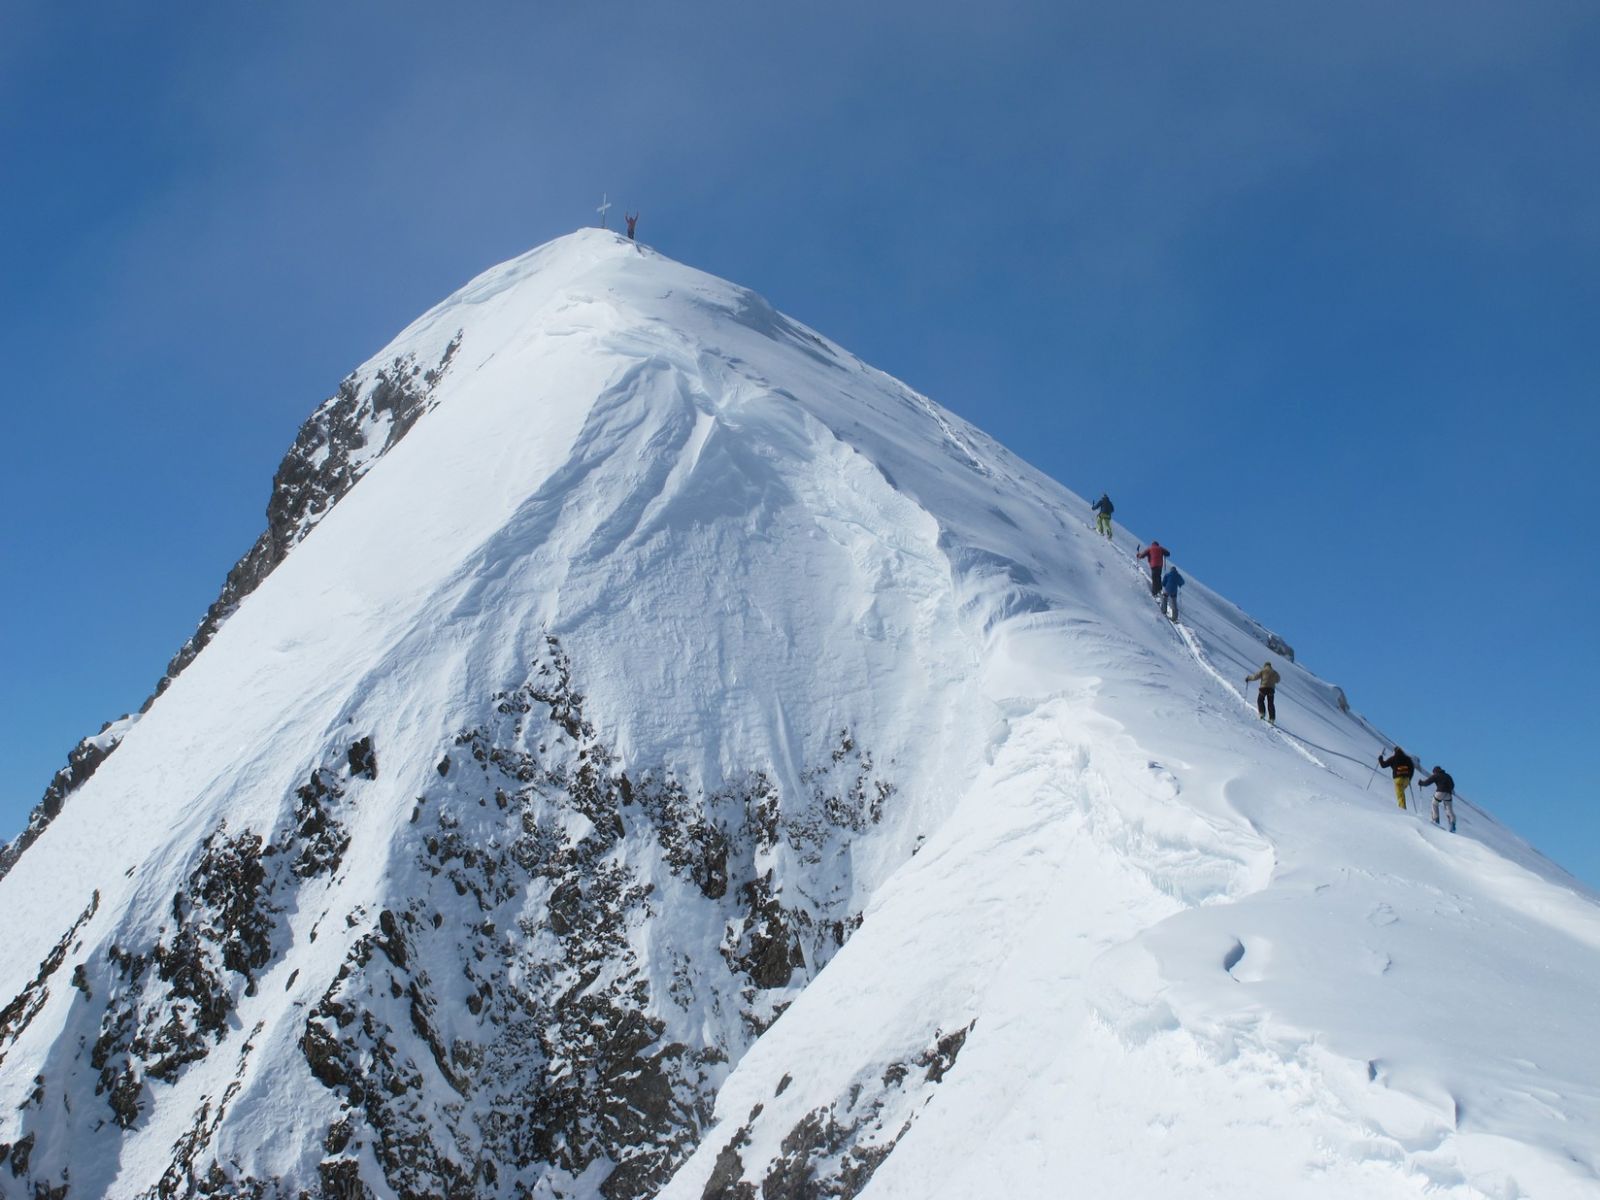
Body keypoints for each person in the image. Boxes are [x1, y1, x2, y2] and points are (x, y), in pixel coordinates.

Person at [1417, 764, 1457, 832]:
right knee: (1449, 809)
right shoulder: (1448, 776)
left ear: (1435, 771)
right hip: (1448, 794)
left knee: (1434, 804)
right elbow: (1453, 785)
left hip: (1440, 792)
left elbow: (1427, 782)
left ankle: (1436, 820)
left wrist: (1421, 783)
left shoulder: (1436, 775)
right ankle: (1452, 824)